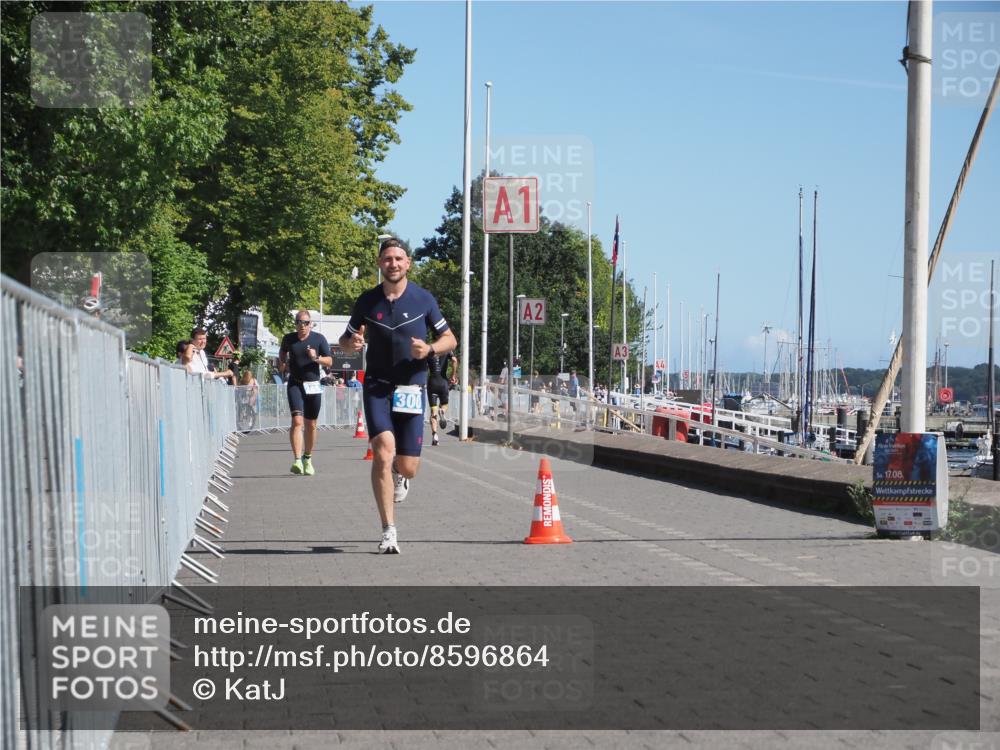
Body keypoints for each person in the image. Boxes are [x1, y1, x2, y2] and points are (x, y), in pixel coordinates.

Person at [339, 237, 457, 554]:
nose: (393, 263)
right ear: (380, 264)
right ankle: (389, 530)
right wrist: (353, 345)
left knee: (408, 468)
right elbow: (345, 342)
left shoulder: (423, 299)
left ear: (407, 264)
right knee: (382, 451)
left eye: (399, 258)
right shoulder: (367, 301)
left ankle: (399, 476)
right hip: (377, 385)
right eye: (387, 258)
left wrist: (430, 348)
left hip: (411, 387)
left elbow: (450, 339)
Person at [279, 311, 333, 476]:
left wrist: (316, 358)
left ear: (311, 324)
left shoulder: (319, 339)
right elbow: (282, 353)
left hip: (313, 385)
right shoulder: (289, 339)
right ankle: (297, 460)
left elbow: (329, 361)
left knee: (311, 424)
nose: (301, 325)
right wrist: (283, 363)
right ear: (295, 324)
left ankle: (307, 458)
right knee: (297, 421)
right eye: (298, 322)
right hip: (295, 384)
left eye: (305, 322)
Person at [426, 344, 453, 446]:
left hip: (432, 383)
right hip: (443, 383)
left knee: (433, 412)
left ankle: (435, 435)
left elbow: (423, 367)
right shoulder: (447, 348)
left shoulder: (428, 350)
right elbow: (454, 360)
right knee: (444, 405)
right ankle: (442, 411)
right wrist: (453, 375)